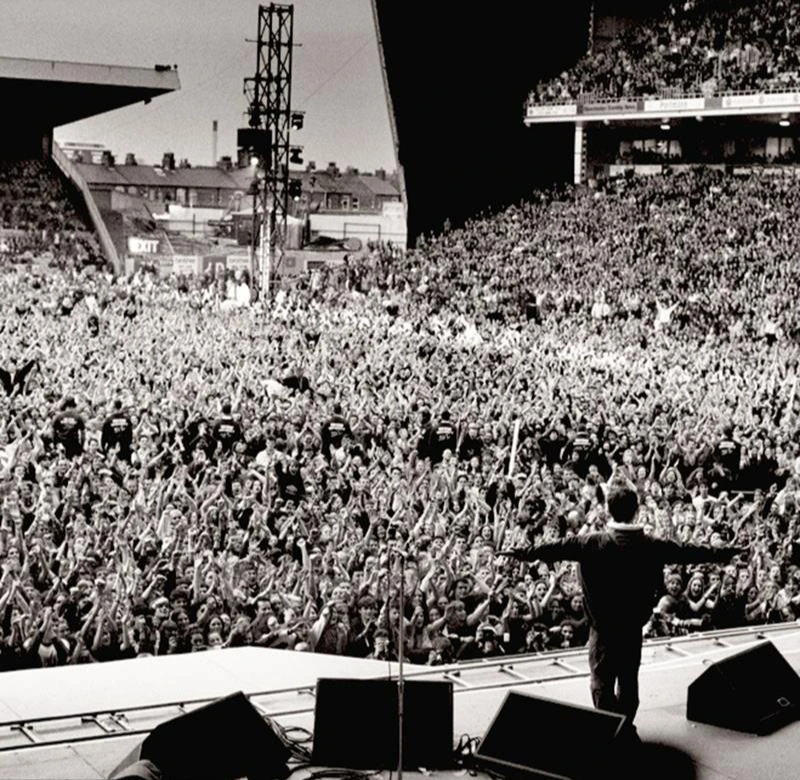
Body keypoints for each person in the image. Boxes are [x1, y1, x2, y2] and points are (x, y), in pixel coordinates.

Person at [503, 474, 746, 735]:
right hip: (631, 630)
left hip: (602, 632)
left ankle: (611, 732)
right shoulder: (651, 545)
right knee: (629, 683)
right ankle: (624, 729)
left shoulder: (589, 542)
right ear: (636, 511)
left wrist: (521, 553)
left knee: (601, 684)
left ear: (609, 509)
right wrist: (726, 552)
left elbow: (552, 548)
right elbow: (689, 551)